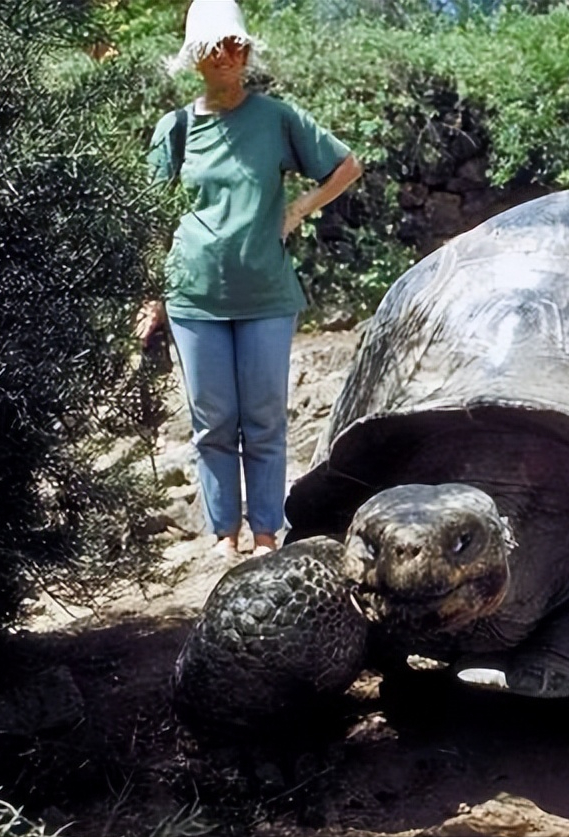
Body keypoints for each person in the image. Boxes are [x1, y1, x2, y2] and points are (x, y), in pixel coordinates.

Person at [136, 0, 362, 560]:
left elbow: (346, 165)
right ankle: (222, 534)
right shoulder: (177, 128)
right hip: (192, 294)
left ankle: (266, 533)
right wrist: (149, 298)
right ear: (196, 57)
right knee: (212, 422)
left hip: (265, 293)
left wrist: (299, 209)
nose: (229, 54)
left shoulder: (277, 118)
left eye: (237, 44)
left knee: (263, 418)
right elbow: (149, 216)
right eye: (216, 46)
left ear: (247, 50)